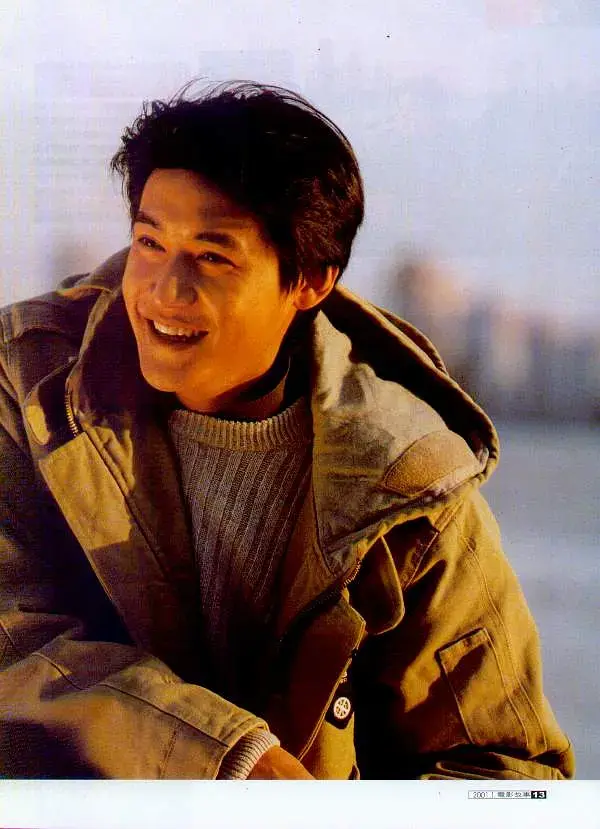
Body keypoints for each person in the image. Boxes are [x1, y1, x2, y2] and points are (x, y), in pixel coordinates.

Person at [0, 82, 573, 780]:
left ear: (310, 281)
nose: (163, 291)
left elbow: (511, 774)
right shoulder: (28, 385)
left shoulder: (408, 487)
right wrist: (232, 762)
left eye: (213, 256)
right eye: (150, 242)